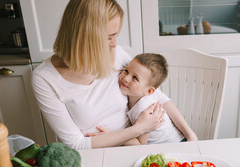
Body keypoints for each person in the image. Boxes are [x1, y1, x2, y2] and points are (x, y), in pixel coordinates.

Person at [31, 0, 167, 150]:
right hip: (98, 154)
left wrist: (191, 135)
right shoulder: (44, 79)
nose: (114, 43)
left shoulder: (113, 52)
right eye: (109, 37)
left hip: (135, 147)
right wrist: (138, 130)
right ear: (85, 38)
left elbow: (153, 91)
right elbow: (76, 144)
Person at [118, 53, 197, 144]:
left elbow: (140, 144)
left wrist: (113, 136)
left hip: (176, 145)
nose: (126, 78)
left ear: (149, 91)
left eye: (135, 78)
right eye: (126, 71)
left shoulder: (145, 109)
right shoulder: (141, 95)